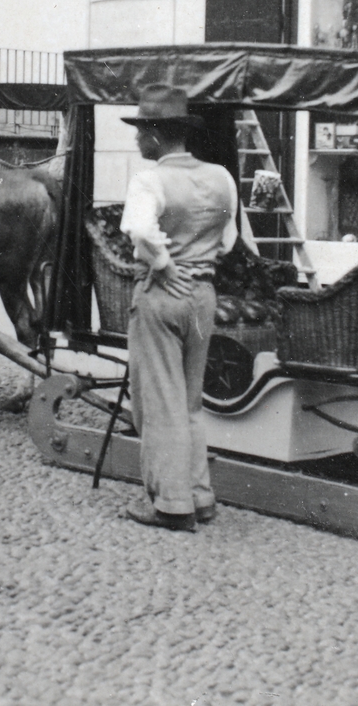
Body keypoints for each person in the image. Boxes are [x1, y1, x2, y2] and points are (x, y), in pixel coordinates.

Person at [117, 84, 238, 532]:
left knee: (159, 400)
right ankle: (199, 494)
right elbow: (228, 239)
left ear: (153, 134)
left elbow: (140, 231)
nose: (135, 140)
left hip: (163, 294)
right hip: (203, 296)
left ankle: (170, 503)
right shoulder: (221, 177)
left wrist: (165, 264)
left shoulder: (149, 179)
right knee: (189, 401)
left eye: (138, 131)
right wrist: (196, 261)